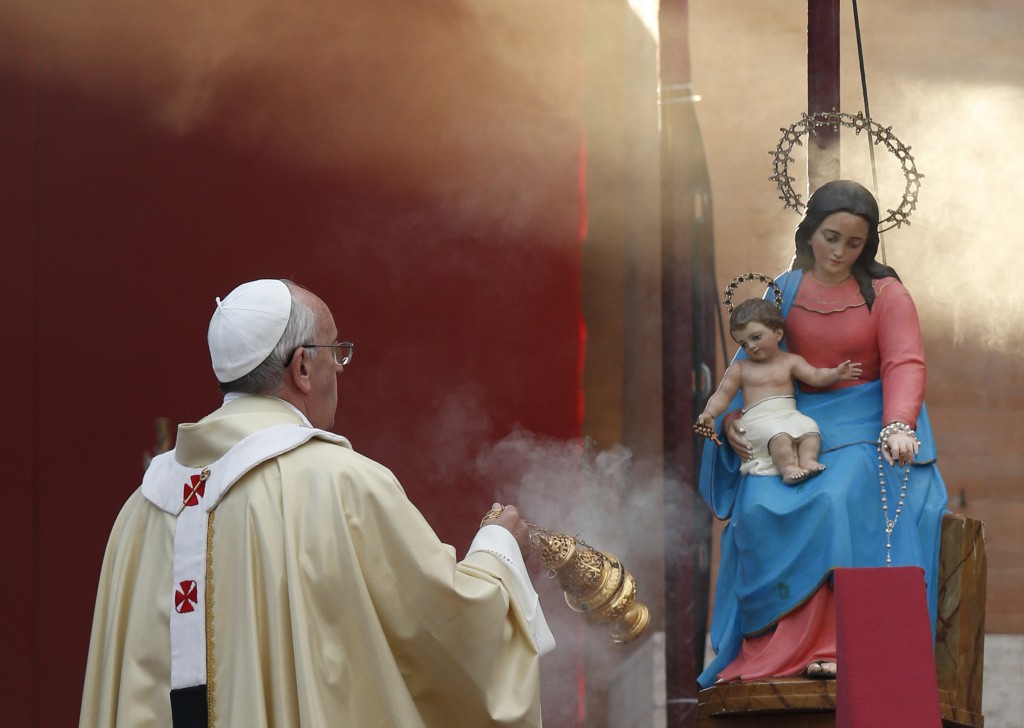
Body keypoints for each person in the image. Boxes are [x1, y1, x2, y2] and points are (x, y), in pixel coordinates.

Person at [80, 278, 555, 727]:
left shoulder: (141, 510)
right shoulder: (341, 484)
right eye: (336, 351)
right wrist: (499, 551)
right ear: (303, 367)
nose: (341, 367)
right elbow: (448, 633)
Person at [697, 180, 948, 685]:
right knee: (755, 507)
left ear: (867, 244)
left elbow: (905, 363)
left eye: (853, 243)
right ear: (810, 231)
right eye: (831, 237)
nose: (839, 252)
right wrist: (730, 419)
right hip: (787, 419)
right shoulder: (783, 291)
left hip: (865, 424)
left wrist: (898, 425)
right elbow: (749, 361)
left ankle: (838, 643)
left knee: (835, 497)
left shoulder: (886, 295)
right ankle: (768, 648)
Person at [696, 297, 862, 485]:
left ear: (778, 334)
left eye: (756, 337)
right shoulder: (740, 368)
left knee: (810, 429)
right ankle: (788, 468)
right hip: (758, 420)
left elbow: (815, 375)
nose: (750, 346)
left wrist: (836, 373)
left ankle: (807, 460)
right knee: (779, 436)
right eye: (743, 344)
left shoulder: (791, 361)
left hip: (787, 413)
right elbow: (723, 394)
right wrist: (710, 413)